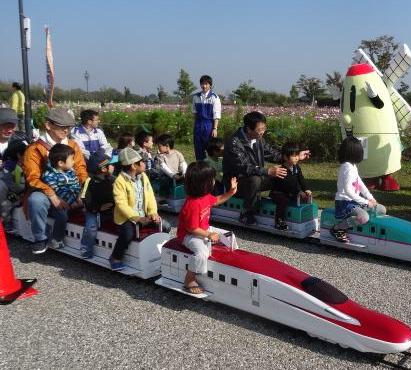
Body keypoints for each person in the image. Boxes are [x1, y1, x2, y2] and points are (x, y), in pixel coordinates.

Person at [223, 111, 310, 226]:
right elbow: (245, 168)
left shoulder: (259, 139)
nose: (263, 132)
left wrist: (295, 157)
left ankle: (288, 197)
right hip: (236, 184)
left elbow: (273, 154)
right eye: (260, 129)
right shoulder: (234, 143)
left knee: (283, 171)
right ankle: (246, 212)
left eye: (264, 128)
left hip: (255, 178)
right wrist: (268, 171)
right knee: (255, 179)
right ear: (249, 129)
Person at [24, 108, 87, 254]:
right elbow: (33, 178)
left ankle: (57, 236)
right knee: (36, 200)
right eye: (62, 126)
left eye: (68, 127)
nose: (66, 130)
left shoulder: (73, 145)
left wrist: (80, 191)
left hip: (70, 190)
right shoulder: (35, 149)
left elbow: (81, 170)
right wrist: (52, 195)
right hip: (44, 191)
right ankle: (40, 237)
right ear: (48, 125)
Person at [177, 161, 237, 294]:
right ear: (203, 184)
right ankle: (189, 279)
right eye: (211, 179)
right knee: (201, 253)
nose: (214, 181)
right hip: (188, 235)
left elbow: (216, 200)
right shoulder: (192, 204)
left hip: (203, 229)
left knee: (230, 236)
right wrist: (209, 235)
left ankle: (228, 261)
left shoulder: (204, 196)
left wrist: (230, 192)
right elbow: (192, 228)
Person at [110, 147, 170, 271]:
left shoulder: (143, 177)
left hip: (144, 215)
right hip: (126, 218)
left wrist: (153, 212)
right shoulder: (119, 182)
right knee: (127, 234)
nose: (144, 164)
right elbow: (121, 204)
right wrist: (136, 218)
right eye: (142, 162)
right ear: (133, 165)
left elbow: (150, 195)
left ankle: (158, 253)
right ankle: (116, 257)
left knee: (166, 226)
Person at [330, 136, 386, 243]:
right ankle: (338, 228)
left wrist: (371, 198)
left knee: (381, 209)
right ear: (354, 153)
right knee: (363, 217)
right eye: (360, 150)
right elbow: (348, 191)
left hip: (354, 202)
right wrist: (366, 202)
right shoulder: (347, 168)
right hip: (344, 204)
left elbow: (360, 184)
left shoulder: (353, 166)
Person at [41, 144, 83, 250]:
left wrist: (78, 198)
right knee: (62, 215)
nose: (74, 162)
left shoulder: (71, 172)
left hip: (73, 201)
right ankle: (56, 239)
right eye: (72, 159)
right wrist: (68, 203)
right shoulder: (49, 175)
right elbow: (55, 192)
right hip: (58, 205)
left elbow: (76, 186)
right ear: (60, 163)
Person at [79, 151, 117, 259]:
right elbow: (85, 198)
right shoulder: (89, 181)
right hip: (93, 210)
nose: (113, 166)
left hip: (111, 209)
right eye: (111, 165)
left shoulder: (113, 179)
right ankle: (86, 247)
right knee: (91, 227)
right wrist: (98, 208)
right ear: (103, 169)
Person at [270, 142, 312, 231]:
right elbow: (289, 183)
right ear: (285, 157)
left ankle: (303, 219)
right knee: (283, 201)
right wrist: (298, 191)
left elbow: (301, 179)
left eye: (297, 155)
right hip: (278, 192)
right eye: (294, 156)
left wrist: (306, 189)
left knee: (303, 199)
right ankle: (279, 221)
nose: (297, 158)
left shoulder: (296, 167)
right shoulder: (282, 170)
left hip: (290, 192)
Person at [192, 75, 222, 160]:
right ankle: (200, 167)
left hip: (209, 125)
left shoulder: (214, 97)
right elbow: (194, 113)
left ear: (210, 85)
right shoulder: (196, 97)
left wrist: (215, 128)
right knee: (198, 148)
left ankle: (210, 168)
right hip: (198, 125)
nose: (204, 86)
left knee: (210, 148)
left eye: (206, 84)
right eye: (202, 84)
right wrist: (194, 126)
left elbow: (216, 115)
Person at [0, 140, 27, 231]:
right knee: (7, 204)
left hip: (11, 193)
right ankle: (6, 223)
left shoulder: (8, 164)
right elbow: (17, 187)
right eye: (25, 154)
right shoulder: (13, 167)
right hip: (12, 195)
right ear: (19, 155)